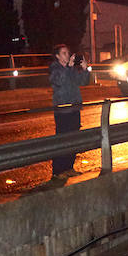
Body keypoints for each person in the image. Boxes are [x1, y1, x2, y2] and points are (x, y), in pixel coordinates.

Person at [49, 44, 89, 179]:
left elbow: (82, 82)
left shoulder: (70, 69)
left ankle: (69, 167)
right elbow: (59, 80)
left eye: (68, 52)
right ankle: (58, 170)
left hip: (74, 108)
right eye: (64, 53)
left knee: (74, 140)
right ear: (57, 56)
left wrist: (85, 69)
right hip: (62, 110)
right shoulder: (55, 69)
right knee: (62, 140)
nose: (68, 55)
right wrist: (68, 67)